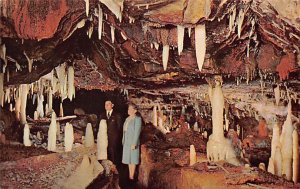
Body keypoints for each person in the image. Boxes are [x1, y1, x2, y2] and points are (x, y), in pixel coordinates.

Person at [122, 103, 142, 181]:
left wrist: (134, 143)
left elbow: (137, 132)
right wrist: (123, 140)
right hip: (126, 141)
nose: (129, 110)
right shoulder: (127, 119)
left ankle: (131, 176)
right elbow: (125, 130)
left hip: (133, 142)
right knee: (128, 159)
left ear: (135, 111)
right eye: (128, 109)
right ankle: (130, 175)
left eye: (130, 109)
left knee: (133, 160)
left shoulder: (137, 119)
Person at [99, 100, 123, 166]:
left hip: (113, 138)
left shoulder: (117, 115)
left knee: (113, 151)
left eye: (108, 104)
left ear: (112, 105)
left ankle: (114, 166)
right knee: (105, 151)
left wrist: (117, 138)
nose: (106, 106)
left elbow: (119, 128)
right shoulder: (102, 115)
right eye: (105, 104)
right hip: (104, 137)